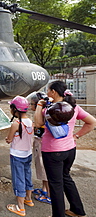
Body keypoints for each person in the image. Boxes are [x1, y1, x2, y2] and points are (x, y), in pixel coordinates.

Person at [34, 80, 96, 217]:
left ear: (53, 92)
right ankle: (77, 210)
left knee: (55, 185)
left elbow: (38, 123)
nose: (47, 93)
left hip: (52, 152)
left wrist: (39, 105)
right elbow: (92, 122)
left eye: (48, 90)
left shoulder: (49, 110)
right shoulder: (74, 107)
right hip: (70, 150)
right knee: (66, 178)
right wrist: (77, 136)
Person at [6, 96, 34, 217]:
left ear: (15, 109)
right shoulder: (30, 122)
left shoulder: (15, 124)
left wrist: (7, 140)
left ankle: (20, 208)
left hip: (17, 155)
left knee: (19, 179)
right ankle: (29, 199)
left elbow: (9, 139)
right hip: (28, 154)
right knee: (27, 176)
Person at [26, 92, 51, 205]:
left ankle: (48, 193)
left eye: (32, 104)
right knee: (41, 167)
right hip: (39, 142)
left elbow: (38, 125)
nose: (30, 106)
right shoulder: (44, 112)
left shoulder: (41, 113)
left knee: (43, 166)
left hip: (42, 143)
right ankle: (44, 189)